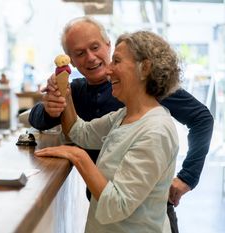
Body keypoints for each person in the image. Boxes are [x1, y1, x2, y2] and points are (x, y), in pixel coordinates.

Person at [29, 16, 214, 233]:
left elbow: (202, 118)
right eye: (79, 53)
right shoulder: (120, 114)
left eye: (115, 60)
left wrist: (187, 177)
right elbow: (78, 131)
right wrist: (61, 93)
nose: (107, 70)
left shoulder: (154, 122)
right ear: (71, 60)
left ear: (145, 69)